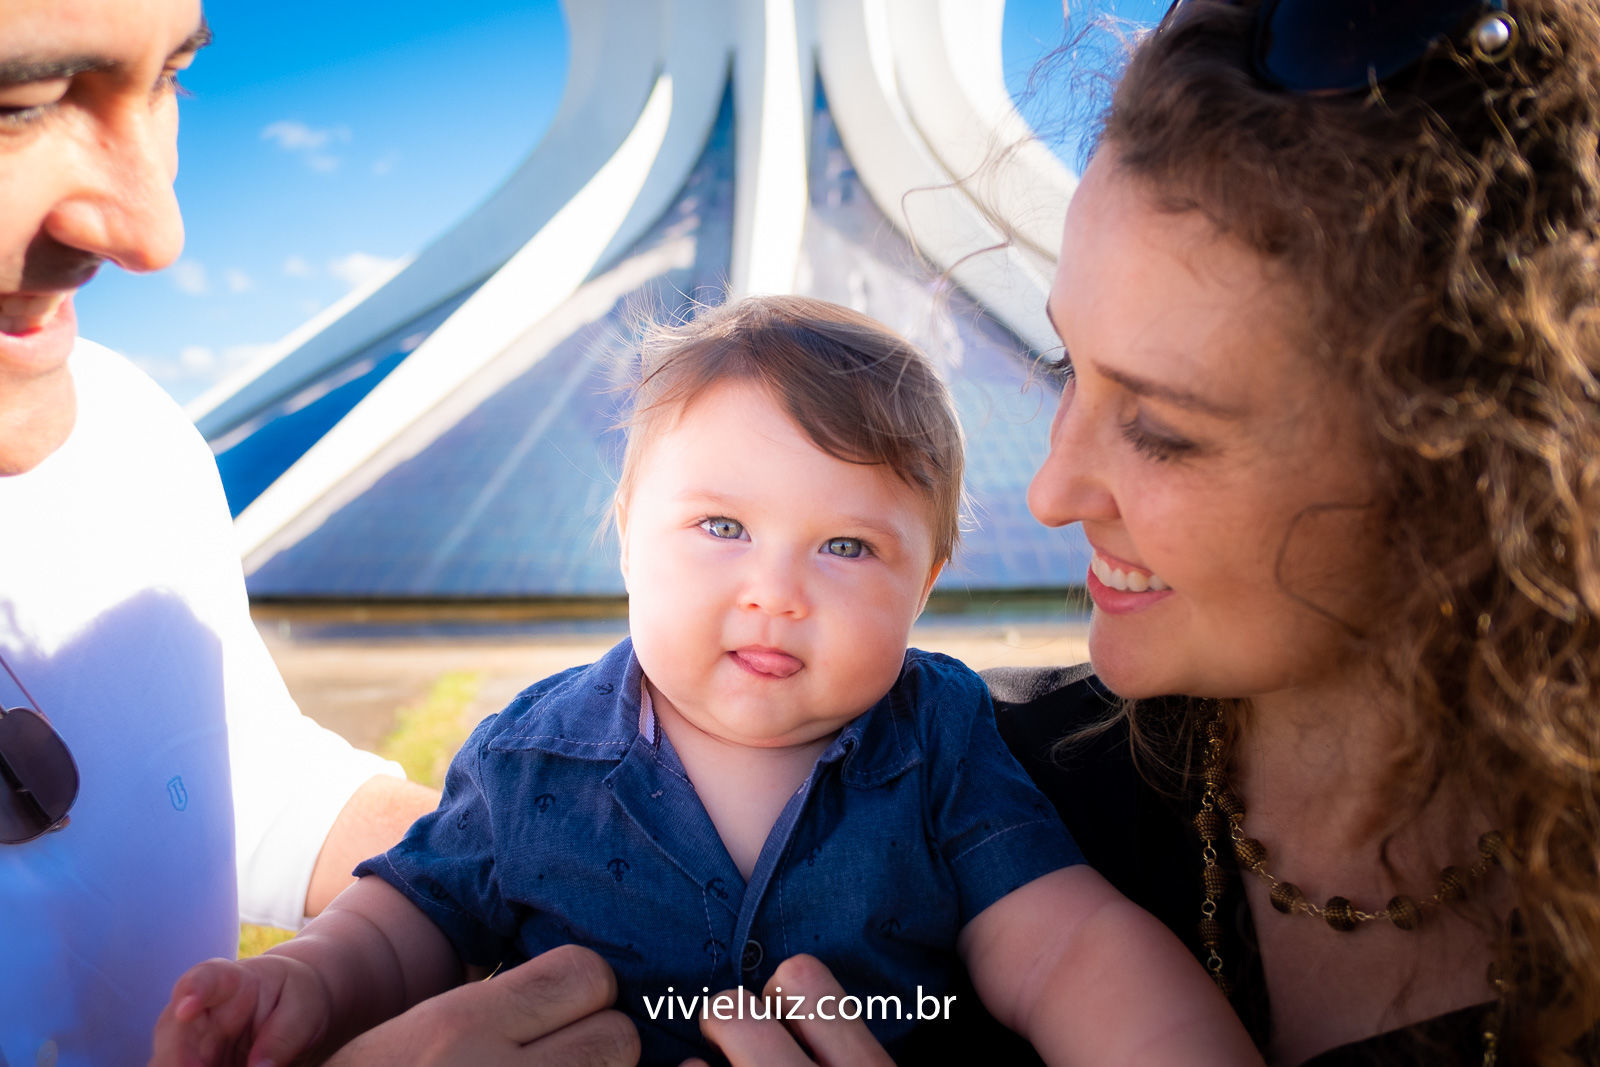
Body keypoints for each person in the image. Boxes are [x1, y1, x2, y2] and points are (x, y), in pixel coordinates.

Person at [681, 1, 1600, 1065]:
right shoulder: (945, 779)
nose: (1050, 490)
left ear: (1485, 469)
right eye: (1067, 366)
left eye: (1163, 432)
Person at [151, 295, 1264, 1067]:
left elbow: (1066, 944)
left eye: (845, 547)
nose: (774, 590)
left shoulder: (937, 737)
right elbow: (410, 916)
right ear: (627, 537)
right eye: (721, 525)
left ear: (923, 584)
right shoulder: (534, 751)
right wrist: (312, 974)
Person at [0, 2, 634, 1064]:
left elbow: (225, 781)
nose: (155, 231)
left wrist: (608, 877)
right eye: (17, 105)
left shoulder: (131, 439)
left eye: (168, 80)